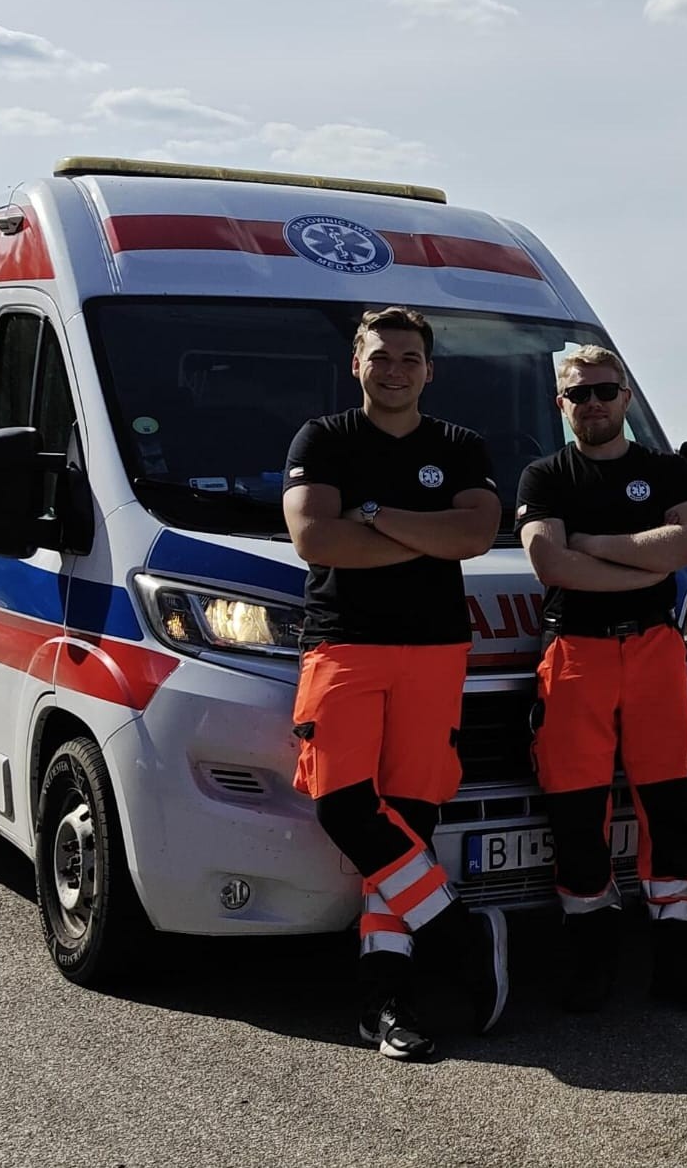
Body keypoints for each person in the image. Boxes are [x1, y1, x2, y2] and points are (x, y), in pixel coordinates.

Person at [283, 306, 509, 1061]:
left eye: (410, 358)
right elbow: (316, 537)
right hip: (344, 644)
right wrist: (426, 535)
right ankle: (458, 934)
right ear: (356, 363)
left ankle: (386, 1002)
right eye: (381, 356)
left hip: (435, 649)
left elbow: (474, 534)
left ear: (429, 371)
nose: (395, 370)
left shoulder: (460, 446)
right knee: (343, 806)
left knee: (407, 826)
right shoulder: (322, 439)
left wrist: (375, 514)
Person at [516, 345, 687, 1014]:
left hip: (653, 651)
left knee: (670, 813)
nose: (594, 404)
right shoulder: (545, 475)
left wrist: (594, 545)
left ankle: (678, 967)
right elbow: (549, 564)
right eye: (579, 394)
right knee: (578, 818)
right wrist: (643, 561)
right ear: (561, 404)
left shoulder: (664, 470)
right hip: (576, 655)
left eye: (605, 391)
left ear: (626, 397)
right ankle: (592, 968)